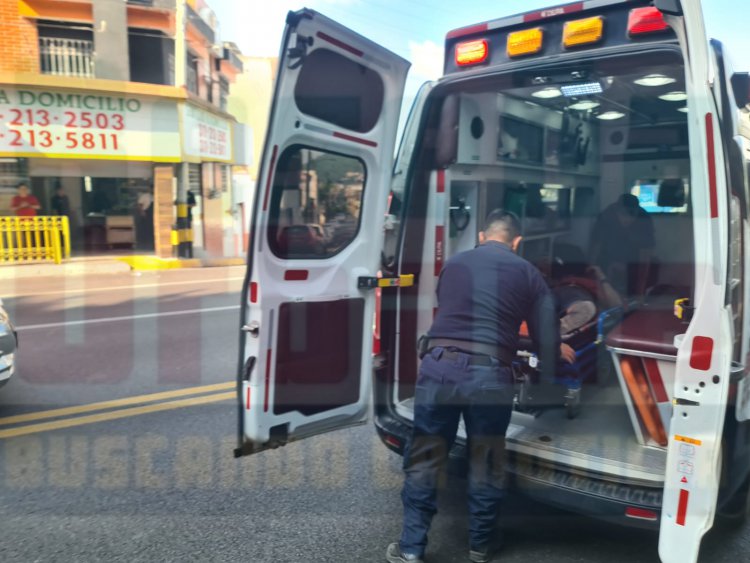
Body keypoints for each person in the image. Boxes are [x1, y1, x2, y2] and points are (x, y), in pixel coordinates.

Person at [386, 210, 575, 563]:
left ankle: (411, 547)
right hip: (490, 374)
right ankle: (481, 545)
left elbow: (455, 312)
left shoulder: (455, 264)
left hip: (439, 366)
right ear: (517, 242)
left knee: (426, 455)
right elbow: (545, 339)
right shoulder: (530, 274)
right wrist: (552, 358)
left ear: (484, 237)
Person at [590, 193, 655, 299]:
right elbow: (596, 244)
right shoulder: (606, 216)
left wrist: (640, 291)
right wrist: (593, 267)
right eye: (624, 215)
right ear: (617, 210)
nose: (628, 219)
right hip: (608, 255)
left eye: (632, 215)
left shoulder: (644, 218)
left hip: (634, 258)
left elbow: (646, 252)